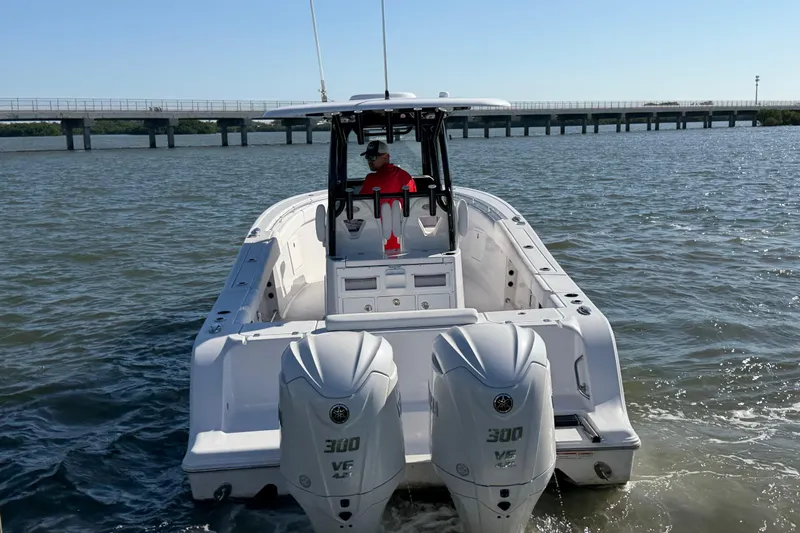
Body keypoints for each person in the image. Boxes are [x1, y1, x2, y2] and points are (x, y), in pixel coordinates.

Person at [359, 140, 416, 250]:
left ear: (386, 157)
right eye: (367, 157)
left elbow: (361, 208)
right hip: (405, 240)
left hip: (376, 241)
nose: (369, 161)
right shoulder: (406, 177)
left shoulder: (371, 180)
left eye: (373, 157)